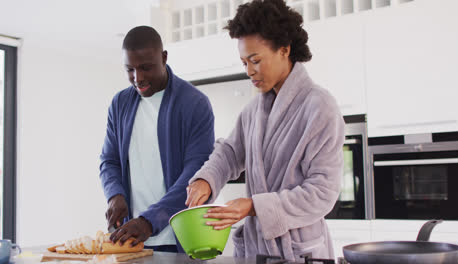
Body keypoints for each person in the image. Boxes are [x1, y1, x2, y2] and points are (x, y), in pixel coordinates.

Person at [185, 0, 344, 261]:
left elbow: (322, 193)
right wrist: (206, 179)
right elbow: (229, 152)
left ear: (284, 49)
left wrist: (254, 206)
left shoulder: (320, 107)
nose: (249, 71)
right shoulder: (253, 111)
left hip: (299, 253)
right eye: (244, 62)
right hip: (257, 251)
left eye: (255, 60)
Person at [99, 26, 214, 252]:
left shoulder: (195, 104)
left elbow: (196, 175)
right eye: (129, 69)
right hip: (131, 241)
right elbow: (109, 160)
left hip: (179, 241)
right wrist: (115, 195)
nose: (137, 78)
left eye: (145, 68)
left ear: (164, 58)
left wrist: (150, 220)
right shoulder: (120, 104)